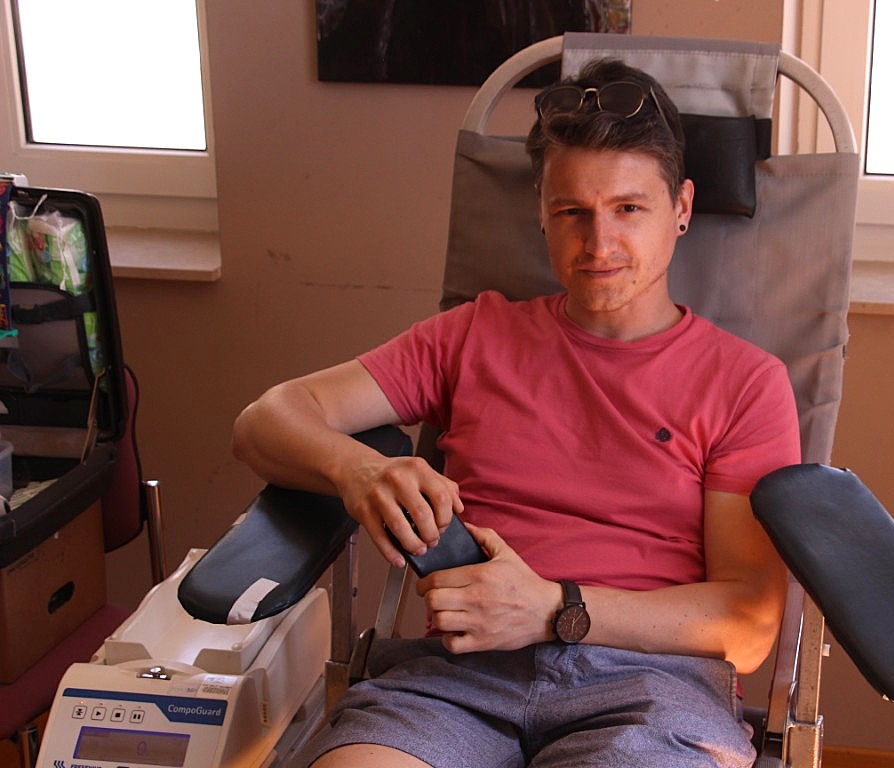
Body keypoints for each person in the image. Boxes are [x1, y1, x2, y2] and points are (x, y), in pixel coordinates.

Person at [233, 57, 800, 768]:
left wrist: (556, 608)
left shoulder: (745, 383)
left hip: (651, 691)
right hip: (456, 682)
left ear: (681, 208)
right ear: (541, 211)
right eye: (572, 212)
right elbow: (263, 421)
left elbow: (747, 626)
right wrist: (358, 471)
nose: (599, 244)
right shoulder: (476, 336)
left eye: (629, 209)